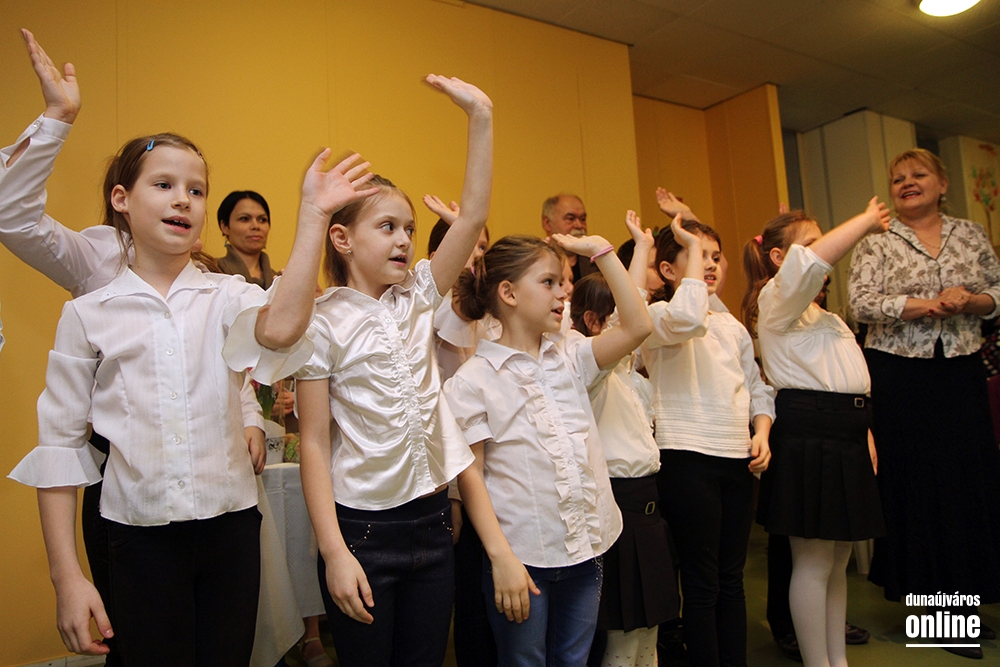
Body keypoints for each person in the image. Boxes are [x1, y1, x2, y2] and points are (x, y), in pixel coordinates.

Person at [225, 74, 494, 667]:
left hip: (431, 520)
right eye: (388, 227)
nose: (404, 241)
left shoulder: (419, 296)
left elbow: (473, 217)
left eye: (409, 230)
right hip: (364, 532)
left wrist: (480, 117)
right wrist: (334, 552)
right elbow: (314, 442)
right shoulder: (320, 322)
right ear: (342, 238)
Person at [443, 228, 652, 666]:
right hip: (522, 557)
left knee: (574, 659)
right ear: (509, 293)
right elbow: (472, 476)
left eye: (562, 281)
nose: (563, 292)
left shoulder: (571, 354)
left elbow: (638, 326)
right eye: (549, 282)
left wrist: (602, 253)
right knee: (525, 660)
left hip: (585, 547)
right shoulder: (473, 381)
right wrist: (500, 557)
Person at [849, 148, 1000, 660]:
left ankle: (965, 608)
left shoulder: (971, 234)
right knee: (917, 491)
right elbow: (861, 302)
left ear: (942, 184)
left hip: (960, 369)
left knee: (965, 486)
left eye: (918, 175)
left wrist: (970, 301)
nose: (907, 183)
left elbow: (996, 294)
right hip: (900, 376)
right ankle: (937, 621)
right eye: (898, 179)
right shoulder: (876, 241)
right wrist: (923, 305)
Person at [743, 199, 890, 667]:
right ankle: (817, 663)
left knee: (838, 560)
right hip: (809, 434)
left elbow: (851, 382)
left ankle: (836, 660)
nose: (822, 250)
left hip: (846, 435)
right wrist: (865, 221)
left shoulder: (826, 316)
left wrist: (864, 432)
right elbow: (812, 263)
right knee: (812, 560)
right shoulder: (776, 300)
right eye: (809, 243)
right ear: (778, 258)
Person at [641, 215, 774, 667]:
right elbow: (688, 316)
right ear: (667, 270)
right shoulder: (659, 316)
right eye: (699, 256)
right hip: (686, 457)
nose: (711, 264)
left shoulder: (731, 325)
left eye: (715, 256)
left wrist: (761, 431)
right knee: (701, 583)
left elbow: (756, 386)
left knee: (731, 579)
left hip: (736, 458)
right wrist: (692, 253)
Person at [571, 211, 679, 667]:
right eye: (614, 317)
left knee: (648, 635)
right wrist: (607, 253)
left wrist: (644, 246)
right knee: (622, 640)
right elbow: (631, 319)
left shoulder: (629, 375)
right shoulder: (589, 369)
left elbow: (631, 313)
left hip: (649, 504)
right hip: (618, 505)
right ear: (593, 322)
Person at [217, 190, 278, 289]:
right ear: (224, 227)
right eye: (244, 219)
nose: (256, 226)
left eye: (262, 220)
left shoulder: (279, 280)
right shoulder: (212, 272)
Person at [542, 193, 595, 281]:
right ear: (547, 223)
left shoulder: (596, 262)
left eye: (582, 219)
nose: (579, 225)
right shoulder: (537, 263)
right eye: (570, 219)